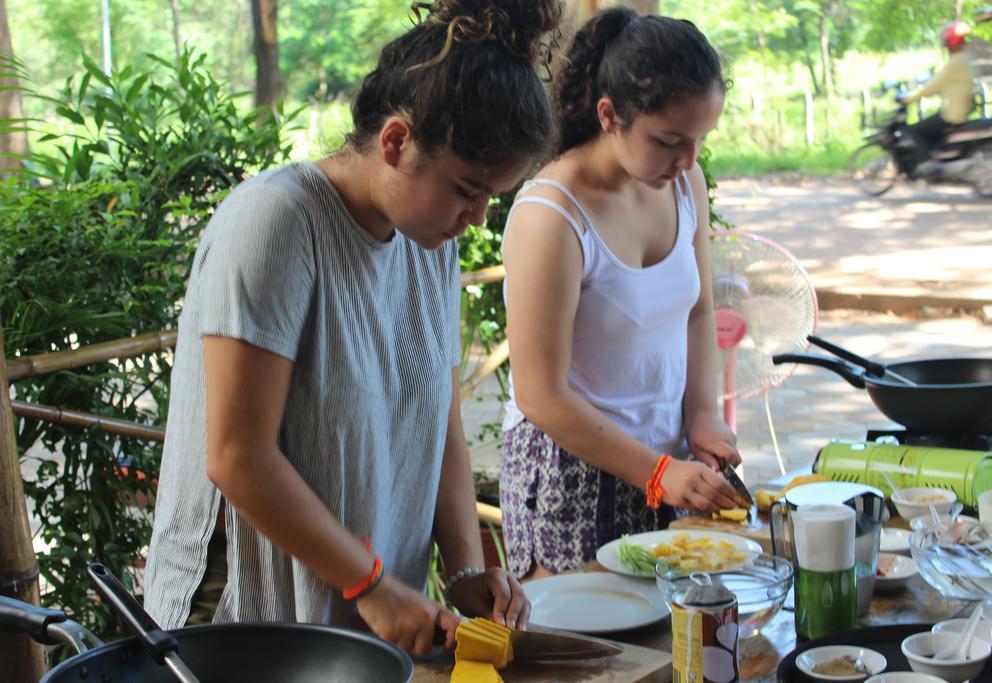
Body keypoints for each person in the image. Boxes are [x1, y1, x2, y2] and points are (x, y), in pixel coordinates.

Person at [144, 0, 563, 656]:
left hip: (362, 617)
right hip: (242, 618)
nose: (477, 218)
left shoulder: (429, 240)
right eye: (467, 189)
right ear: (395, 141)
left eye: (492, 198)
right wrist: (367, 581)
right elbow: (236, 457)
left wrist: (464, 571)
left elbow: (439, 419)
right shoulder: (275, 224)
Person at [499, 7, 743, 581]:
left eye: (701, 139)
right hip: (570, 473)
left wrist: (702, 415)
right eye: (669, 140)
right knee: (594, 660)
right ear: (609, 115)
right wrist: (656, 471)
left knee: (677, 647)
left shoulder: (686, 185)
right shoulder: (550, 216)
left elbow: (699, 310)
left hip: (667, 460)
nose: (688, 160)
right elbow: (540, 395)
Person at [899, 21, 977, 176]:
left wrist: (908, 99)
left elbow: (934, 84)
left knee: (914, 130)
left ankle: (927, 165)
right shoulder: (965, 59)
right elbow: (948, 84)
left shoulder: (957, 62)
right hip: (960, 110)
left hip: (952, 114)